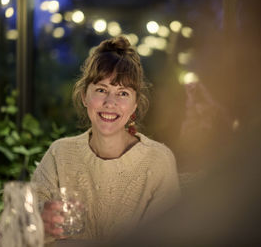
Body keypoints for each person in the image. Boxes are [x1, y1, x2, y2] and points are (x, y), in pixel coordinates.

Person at [31, 36, 180, 242]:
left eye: (123, 93)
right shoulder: (60, 154)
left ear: (135, 104)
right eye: (101, 90)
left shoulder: (158, 161)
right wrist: (38, 224)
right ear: (84, 96)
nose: (110, 103)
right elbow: (23, 229)